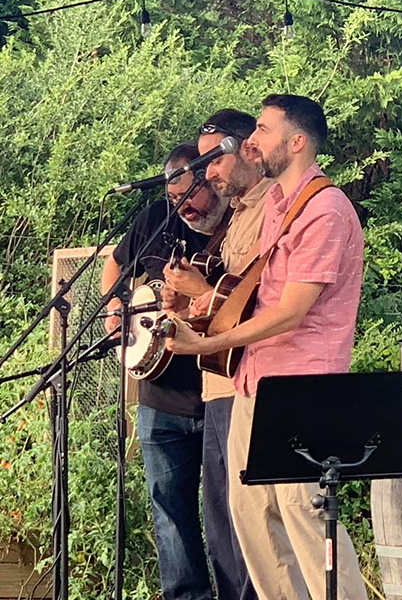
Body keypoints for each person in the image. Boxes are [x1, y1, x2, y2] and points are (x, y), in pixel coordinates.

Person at [166, 95, 368, 600]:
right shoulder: (278, 204)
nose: (250, 140)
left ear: (296, 142)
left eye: (261, 129)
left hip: (302, 385)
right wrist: (202, 308)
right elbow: (255, 297)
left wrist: (206, 342)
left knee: (304, 513)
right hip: (254, 379)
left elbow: (290, 313)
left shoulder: (325, 208)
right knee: (252, 515)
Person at [101, 143, 230, 600]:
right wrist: (116, 308)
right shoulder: (157, 219)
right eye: (175, 198)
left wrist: (199, 291)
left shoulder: (239, 227)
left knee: (227, 516)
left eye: (191, 196)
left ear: (213, 183)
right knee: (170, 513)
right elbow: (116, 263)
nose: (184, 208)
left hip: (218, 393)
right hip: (159, 395)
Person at [163, 109, 274, 600]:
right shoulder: (237, 216)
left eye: (213, 161)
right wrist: (184, 305)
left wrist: (201, 290)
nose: (207, 173)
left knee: (247, 523)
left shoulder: (275, 208)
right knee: (221, 522)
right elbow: (219, 305)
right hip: (217, 383)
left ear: (247, 148)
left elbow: (257, 304)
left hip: (247, 381)